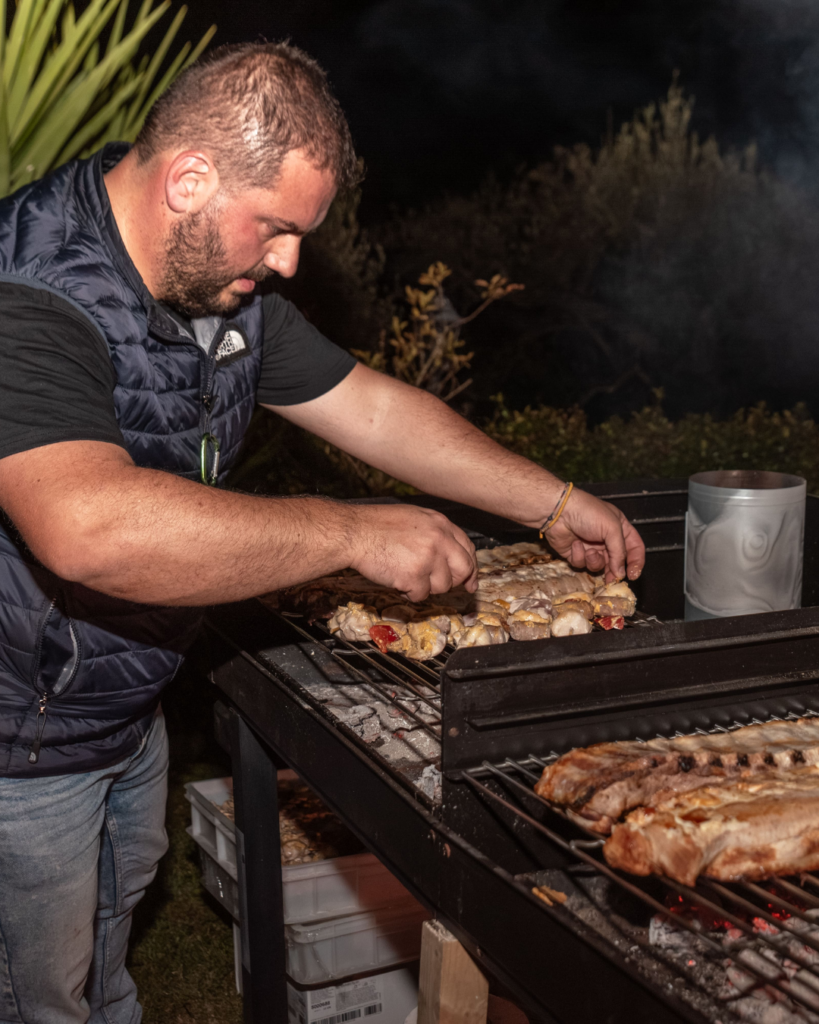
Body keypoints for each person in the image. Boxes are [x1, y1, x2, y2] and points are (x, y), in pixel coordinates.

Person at [0, 41, 644, 1024]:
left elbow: (372, 409)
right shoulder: (32, 292)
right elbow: (88, 529)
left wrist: (552, 502)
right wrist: (347, 532)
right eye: (277, 228)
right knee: (36, 998)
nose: (289, 261)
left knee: (102, 970)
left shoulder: (216, 283)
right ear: (189, 180)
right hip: (18, 740)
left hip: (117, 707)